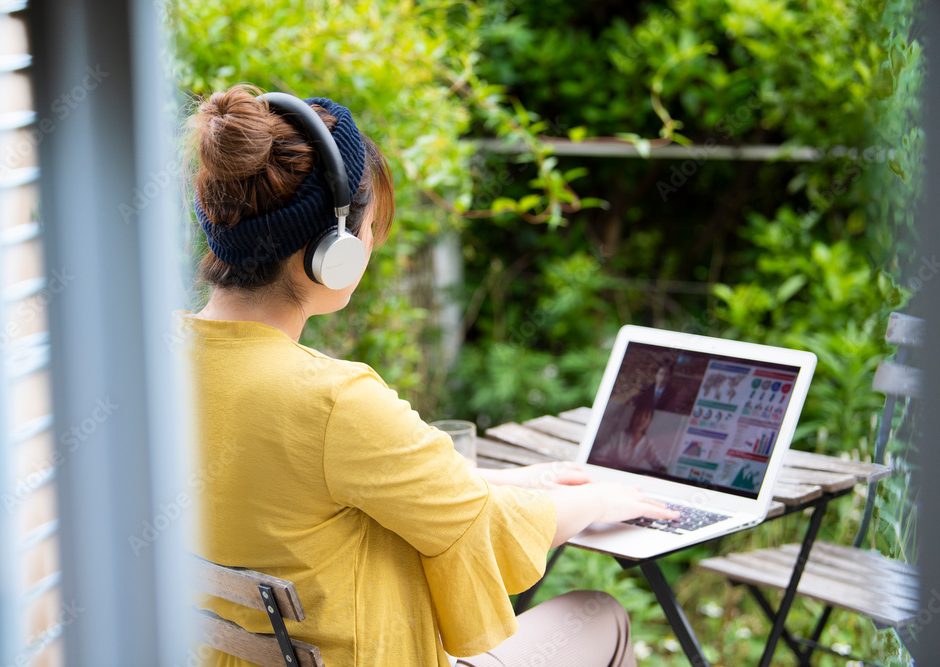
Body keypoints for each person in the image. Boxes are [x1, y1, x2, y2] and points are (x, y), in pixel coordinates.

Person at [177, 84, 676, 667]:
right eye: (367, 228)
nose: (371, 241)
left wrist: (521, 481)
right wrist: (599, 500)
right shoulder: (332, 402)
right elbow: (482, 527)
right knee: (599, 615)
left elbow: (323, 493)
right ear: (331, 251)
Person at [589, 405, 667, 473]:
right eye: (639, 415)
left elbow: (659, 465)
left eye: (646, 416)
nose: (641, 420)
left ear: (649, 421)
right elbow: (598, 454)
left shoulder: (647, 444)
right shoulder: (619, 436)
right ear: (633, 417)